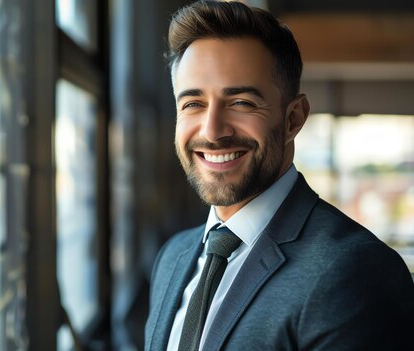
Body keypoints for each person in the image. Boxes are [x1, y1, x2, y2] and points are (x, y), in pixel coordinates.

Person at [144, 1, 414, 350]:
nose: (212, 131)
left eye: (241, 102)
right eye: (192, 104)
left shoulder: (357, 271)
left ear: (293, 119)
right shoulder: (173, 258)